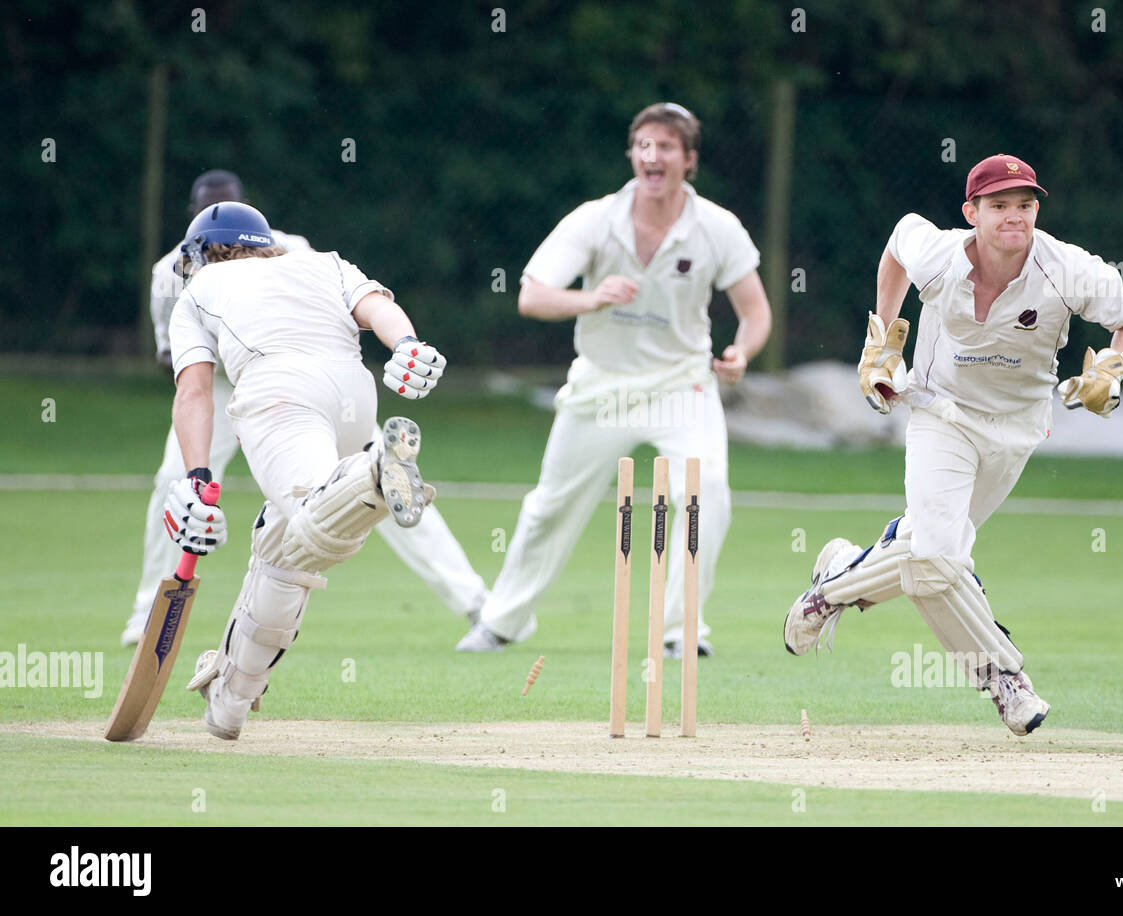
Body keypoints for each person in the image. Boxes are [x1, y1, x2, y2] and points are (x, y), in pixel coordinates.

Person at [783, 153, 1123, 736]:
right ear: (971, 212)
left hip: (1016, 429)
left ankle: (834, 586)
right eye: (999, 206)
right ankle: (1004, 678)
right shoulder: (940, 255)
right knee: (935, 555)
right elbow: (899, 243)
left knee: (934, 554)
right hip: (940, 414)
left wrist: (1112, 369)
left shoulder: (1068, 268)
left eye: (1025, 206)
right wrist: (881, 339)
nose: (1015, 217)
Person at [456, 102, 772, 655]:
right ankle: (501, 622)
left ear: (688, 159)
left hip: (682, 384)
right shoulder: (594, 219)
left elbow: (756, 312)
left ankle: (680, 631)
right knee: (550, 506)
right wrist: (593, 297)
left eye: (666, 147)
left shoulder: (717, 227)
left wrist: (741, 353)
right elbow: (532, 296)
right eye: (643, 145)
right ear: (632, 153)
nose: (653, 156)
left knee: (707, 492)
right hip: (604, 385)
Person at [122, 170, 487, 646]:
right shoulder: (174, 272)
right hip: (309, 378)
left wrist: (201, 474)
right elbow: (177, 361)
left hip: (272, 384)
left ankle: (474, 600)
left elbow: (186, 384)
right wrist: (407, 344)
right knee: (182, 476)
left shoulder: (252, 259)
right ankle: (149, 608)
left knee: (298, 507)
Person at [166, 200, 445, 739]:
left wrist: (198, 478)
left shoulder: (200, 290)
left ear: (202, 254)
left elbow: (194, 392)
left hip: (280, 394)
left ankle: (371, 475)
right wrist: (408, 345)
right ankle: (230, 697)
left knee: (314, 514)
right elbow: (378, 310)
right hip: (353, 395)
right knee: (285, 550)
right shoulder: (323, 261)